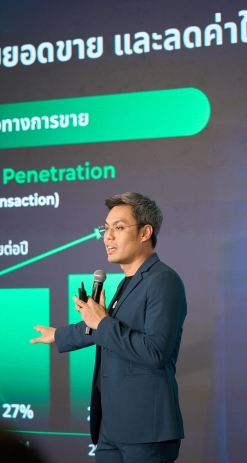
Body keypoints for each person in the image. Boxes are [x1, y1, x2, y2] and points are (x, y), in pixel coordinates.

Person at [31, 192, 187, 463]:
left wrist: (102, 321)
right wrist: (59, 335)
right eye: (105, 228)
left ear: (145, 232)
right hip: (111, 426)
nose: (107, 237)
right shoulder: (128, 282)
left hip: (146, 428)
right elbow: (107, 330)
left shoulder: (163, 280)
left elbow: (154, 351)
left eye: (119, 228)